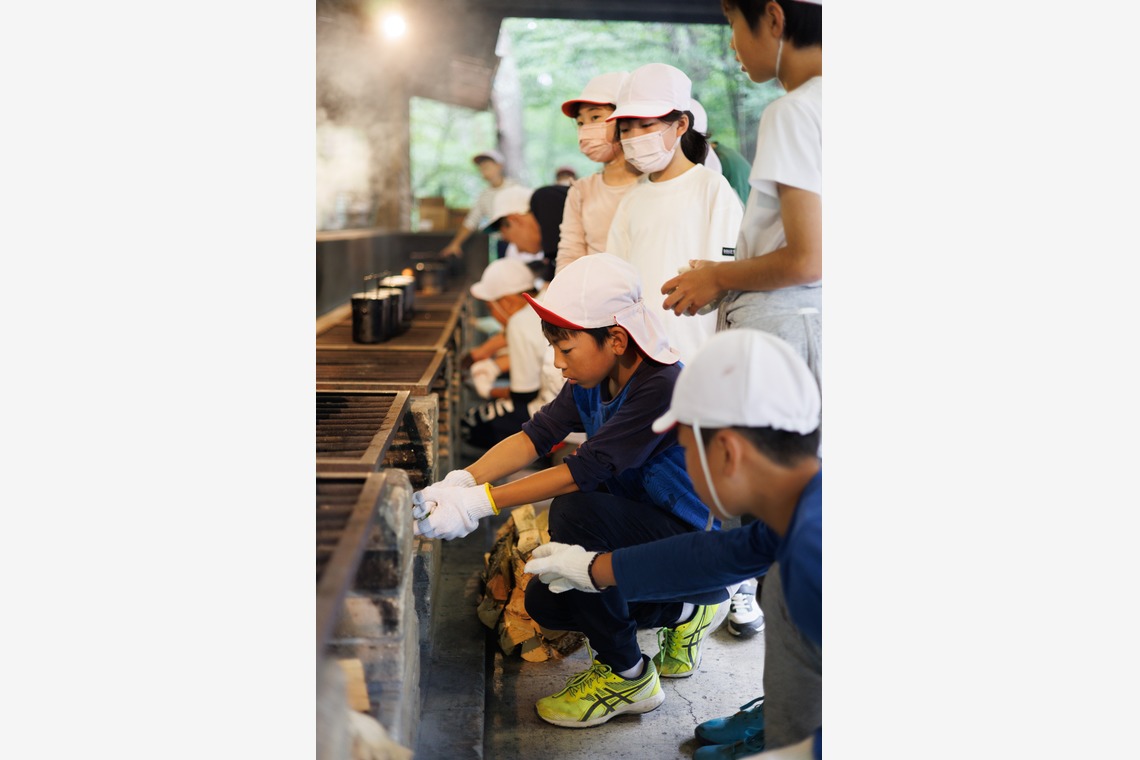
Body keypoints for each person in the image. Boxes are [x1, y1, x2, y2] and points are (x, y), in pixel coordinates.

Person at [411, 253, 728, 728]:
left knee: (575, 512)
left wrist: (480, 505)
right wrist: (462, 480)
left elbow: (585, 470)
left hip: (694, 545)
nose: (558, 364)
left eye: (567, 349)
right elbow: (535, 435)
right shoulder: (590, 380)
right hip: (640, 535)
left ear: (616, 339)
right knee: (546, 601)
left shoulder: (660, 385)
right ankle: (685, 612)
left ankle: (629, 675)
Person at [524, 328, 822, 759]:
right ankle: (786, 716)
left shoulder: (814, 552)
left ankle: (794, 730)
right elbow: (718, 556)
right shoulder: (792, 512)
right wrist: (589, 570)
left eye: (684, 449)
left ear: (728, 451)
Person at [661, 0, 822, 390]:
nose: (733, 44)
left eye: (733, 23)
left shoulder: (794, 111)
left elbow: (808, 259)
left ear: (773, 17)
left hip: (787, 332)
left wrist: (719, 277)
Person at [604, 62, 743, 362]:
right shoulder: (633, 197)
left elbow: (727, 274)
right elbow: (615, 275)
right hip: (637, 354)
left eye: (645, 125)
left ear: (680, 125)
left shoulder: (711, 188)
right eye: (625, 129)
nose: (633, 137)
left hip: (699, 354)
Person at [461, 258, 565, 450]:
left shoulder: (519, 321)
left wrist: (489, 391)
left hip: (554, 412)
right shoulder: (546, 299)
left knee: (471, 423)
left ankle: (544, 453)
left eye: (491, 308)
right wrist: (494, 366)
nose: (493, 315)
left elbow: (524, 395)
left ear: (507, 302)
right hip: (570, 404)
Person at [554, 71, 644, 277]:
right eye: (580, 122)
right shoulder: (581, 190)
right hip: (598, 302)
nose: (586, 129)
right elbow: (569, 255)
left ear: (624, 118)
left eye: (595, 117)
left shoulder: (656, 182)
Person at [439, 150, 523, 259]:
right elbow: (471, 221)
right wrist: (455, 244)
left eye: (487, 165)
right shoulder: (484, 196)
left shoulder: (515, 188)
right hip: (502, 243)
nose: (483, 169)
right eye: (481, 167)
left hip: (521, 242)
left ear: (499, 166)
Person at [483, 183, 569, 283]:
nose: (519, 251)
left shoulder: (546, 198)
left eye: (510, 241)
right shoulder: (555, 247)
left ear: (515, 220)